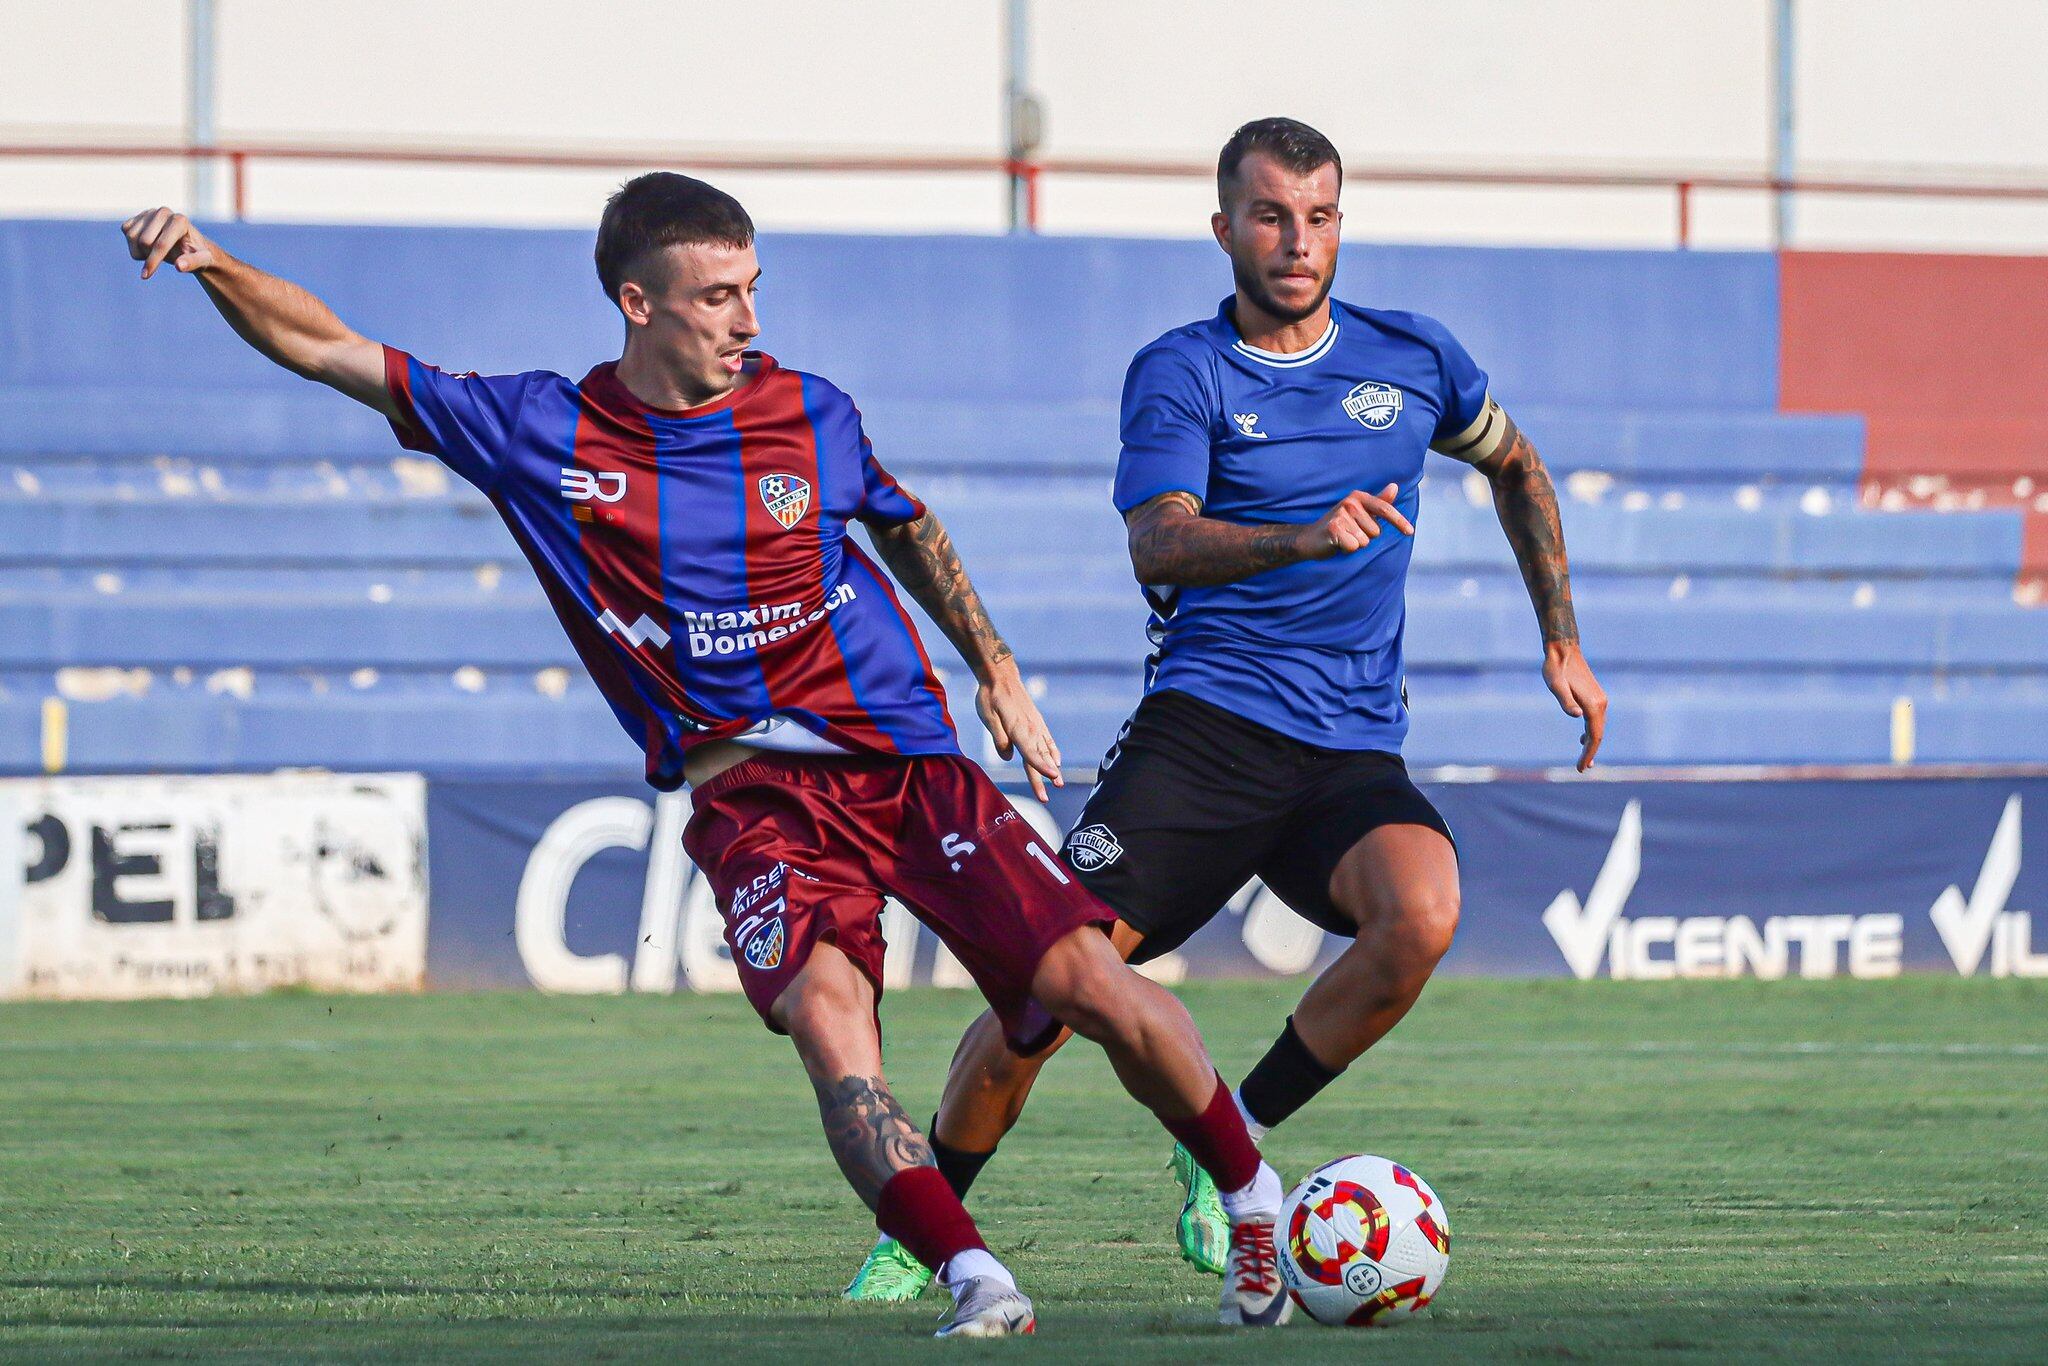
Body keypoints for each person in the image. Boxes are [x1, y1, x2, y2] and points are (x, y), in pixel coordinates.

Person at [120, 172, 1295, 1335]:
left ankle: (1249, 1189)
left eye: (752, 289)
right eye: (716, 297)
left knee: (1082, 981)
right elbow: (330, 349)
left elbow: (907, 523)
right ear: (637, 303)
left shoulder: (810, 412)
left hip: (899, 761)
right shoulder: (544, 430)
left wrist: (990, 664)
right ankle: (974, 1278)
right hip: (749, 797)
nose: (747, 321)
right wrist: (212, 260)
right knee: (834, 1035)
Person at [844, 117, 1609, 1303]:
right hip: (1202, 736)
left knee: (1421, 912)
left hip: (1349, 745)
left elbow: (1514, 464)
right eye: (1268, 215)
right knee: (1042, 990)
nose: (1295, 241)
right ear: (1224, 230)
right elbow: (1156, 536)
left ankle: (1226, 1145)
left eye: (1317, 216)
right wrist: (1297, 537)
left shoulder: (1413, 359)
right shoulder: (1181, 369)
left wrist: (1558, 636)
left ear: (1339, 224)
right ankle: (924, 1229)